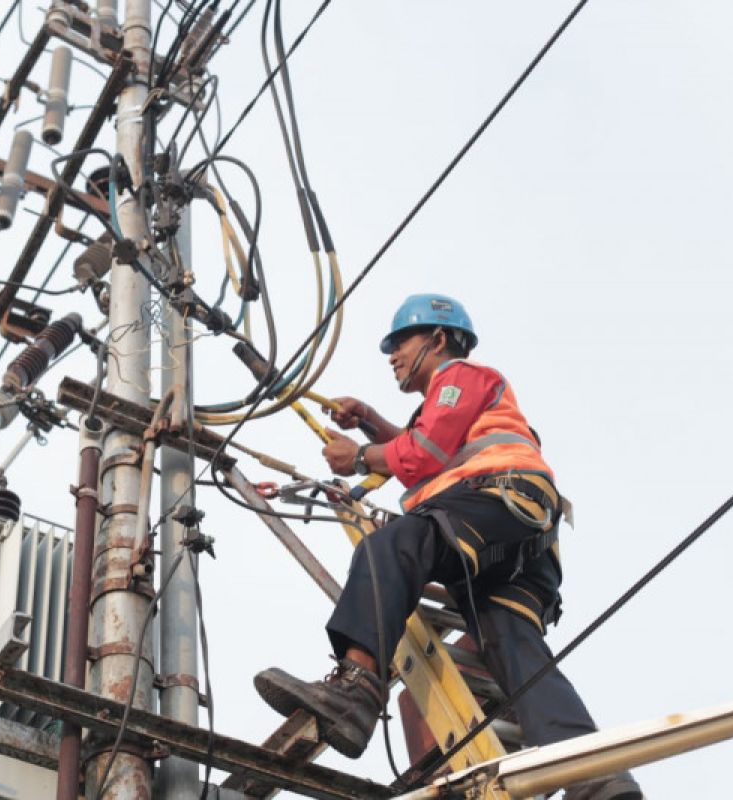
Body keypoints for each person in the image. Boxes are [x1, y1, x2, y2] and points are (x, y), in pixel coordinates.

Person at [253, 294, 643, 800]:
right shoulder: (462, 404)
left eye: (401, 342)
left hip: (500, 500)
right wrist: (371, 422)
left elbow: (426, 453)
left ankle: (355, 690)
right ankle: (595, 773)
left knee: (391, 546)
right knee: (511, 646)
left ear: (438, 340)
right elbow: (428, 443)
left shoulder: (462, 376)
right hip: (521, 548)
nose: (392, 355)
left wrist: (360, 457)